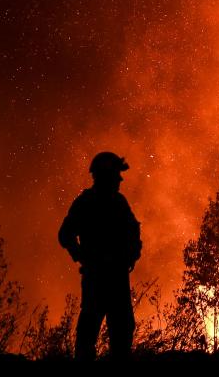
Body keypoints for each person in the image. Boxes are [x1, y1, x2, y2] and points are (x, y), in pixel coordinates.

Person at [58, 151, 142, 360]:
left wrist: (132, 253)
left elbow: (133, 231)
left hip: (116, 277)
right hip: (97, 278)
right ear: (105, 176)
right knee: (89, 331)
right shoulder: (86, 202)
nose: (119, 181)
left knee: (122, 330)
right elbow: (65, 235)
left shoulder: (118, 202)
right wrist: (82, 256)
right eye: (116, 177)